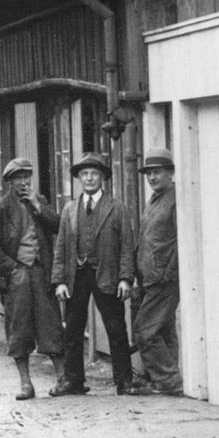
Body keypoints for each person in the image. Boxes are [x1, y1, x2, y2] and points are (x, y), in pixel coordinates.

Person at [50, 151, 136, 395]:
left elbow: (127, 246)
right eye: (84, 174)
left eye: (94, 174)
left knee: (116, 329)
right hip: (76, 276)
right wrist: (59, 281)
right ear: (79, 178)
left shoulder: (117, 208)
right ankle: (74, 381)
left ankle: (124, 381)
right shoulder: (69, 209)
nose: (89, 178)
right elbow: (61, 247)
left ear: (102, 178)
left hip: (107, 274)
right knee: (73, 330)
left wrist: (125, 278)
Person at [0, 157, 63, 400]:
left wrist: (37, 205)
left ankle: (62, 379)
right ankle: (26, 383)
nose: (23, 182)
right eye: (18, 178)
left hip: (41, 273)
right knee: (19, 329)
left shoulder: (41, 202)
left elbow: (58, 225)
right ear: (9, 182)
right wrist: (12, 269)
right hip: (17, 276)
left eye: (27, 177)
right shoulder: (0, 209)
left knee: (51, 325)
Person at [130, 148, 182, 396]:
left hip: (164, 278)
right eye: (149, 173)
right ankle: (168, 379)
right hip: (149, 277)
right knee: (163, 329)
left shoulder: (176, 199)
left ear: (170, 173)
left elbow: (182, 240)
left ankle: (168, 379)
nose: (152, 177)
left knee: (144, 329)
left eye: (157, 172)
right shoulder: (155, 199)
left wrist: (168, 272)